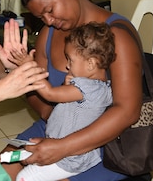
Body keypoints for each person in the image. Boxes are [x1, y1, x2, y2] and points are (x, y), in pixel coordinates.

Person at [0, 0, 143, 181]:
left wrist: (62, 147)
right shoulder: (49, 34)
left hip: (104, 146)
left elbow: (128, 112)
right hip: (56, 129)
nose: (48, 21)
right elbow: (45, 108)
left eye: (49, 10)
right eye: (41, 17)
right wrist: (22, 73)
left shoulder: (116, 36)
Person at [10, 22, 116, 181]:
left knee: (24, 177)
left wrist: (29, 67)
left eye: (70, 60)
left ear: (91, 64)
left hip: (69, 159)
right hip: (70, 150)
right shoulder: (102, 88)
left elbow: (50, 94)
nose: (67, 66)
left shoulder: (86, 88)